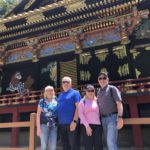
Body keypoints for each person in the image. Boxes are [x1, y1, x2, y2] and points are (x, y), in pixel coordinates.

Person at [97, 72, 124, 150]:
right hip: (103, 119)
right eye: (100, 78)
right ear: (98, 80)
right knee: (108, 142)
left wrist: (120, 117)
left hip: (112, 118)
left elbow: (119, 103)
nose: (102, 80)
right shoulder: (98, 92)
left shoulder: (112, 89)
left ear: (108, 79)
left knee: (110, 142)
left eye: (104, 78)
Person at [57, 76, 81, 150]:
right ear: (62, 84)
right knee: (65, 146)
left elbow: (78, 107)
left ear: (71, 83)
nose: (65, 83)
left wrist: (74, 121)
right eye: (64, 82)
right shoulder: (60, 95)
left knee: (74, 145)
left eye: (67, 82)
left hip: (72, 123)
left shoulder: (75, 93)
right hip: (61, 124)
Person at [79, 84, 103, 150]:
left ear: (94, 91)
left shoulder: (97, 101)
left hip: (97, 125)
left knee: (98, 145)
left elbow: (98, 113)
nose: (90, 92)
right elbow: (80, 114)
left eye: (92, 90)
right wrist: (87, 126)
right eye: (88, 90)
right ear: (86, 92)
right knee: (88, 146)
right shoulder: (82, 101)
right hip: (86, 126)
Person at [36, 85, 58, 150]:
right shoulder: (42, 101)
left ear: (53, 92)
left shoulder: (56, 100)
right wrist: (38, 128)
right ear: (45, 92)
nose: (49, 92)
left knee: (53, 146)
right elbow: (38, 115)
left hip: (54, 126)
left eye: (51, 90)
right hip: (44, 125)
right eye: (47, 90)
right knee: (43, 146)